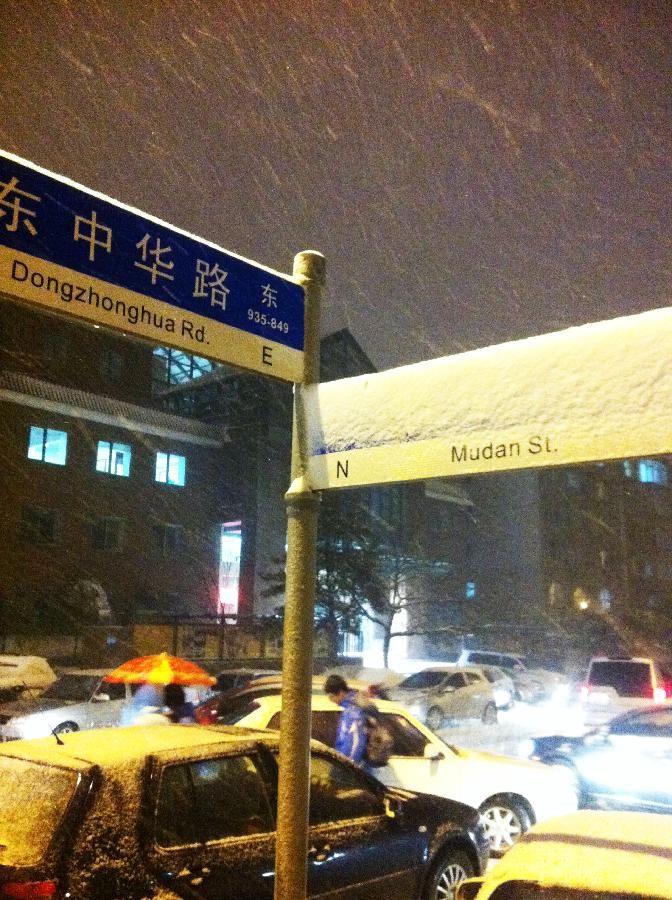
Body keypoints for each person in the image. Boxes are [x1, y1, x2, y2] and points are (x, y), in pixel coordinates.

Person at [324, 674, 368, 765]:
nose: (331, 700)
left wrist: (346, 768)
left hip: (350, 768)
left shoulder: (352, 711)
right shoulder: (351, 708)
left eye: (331, 696)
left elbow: (355, 744)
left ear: (340, 693)